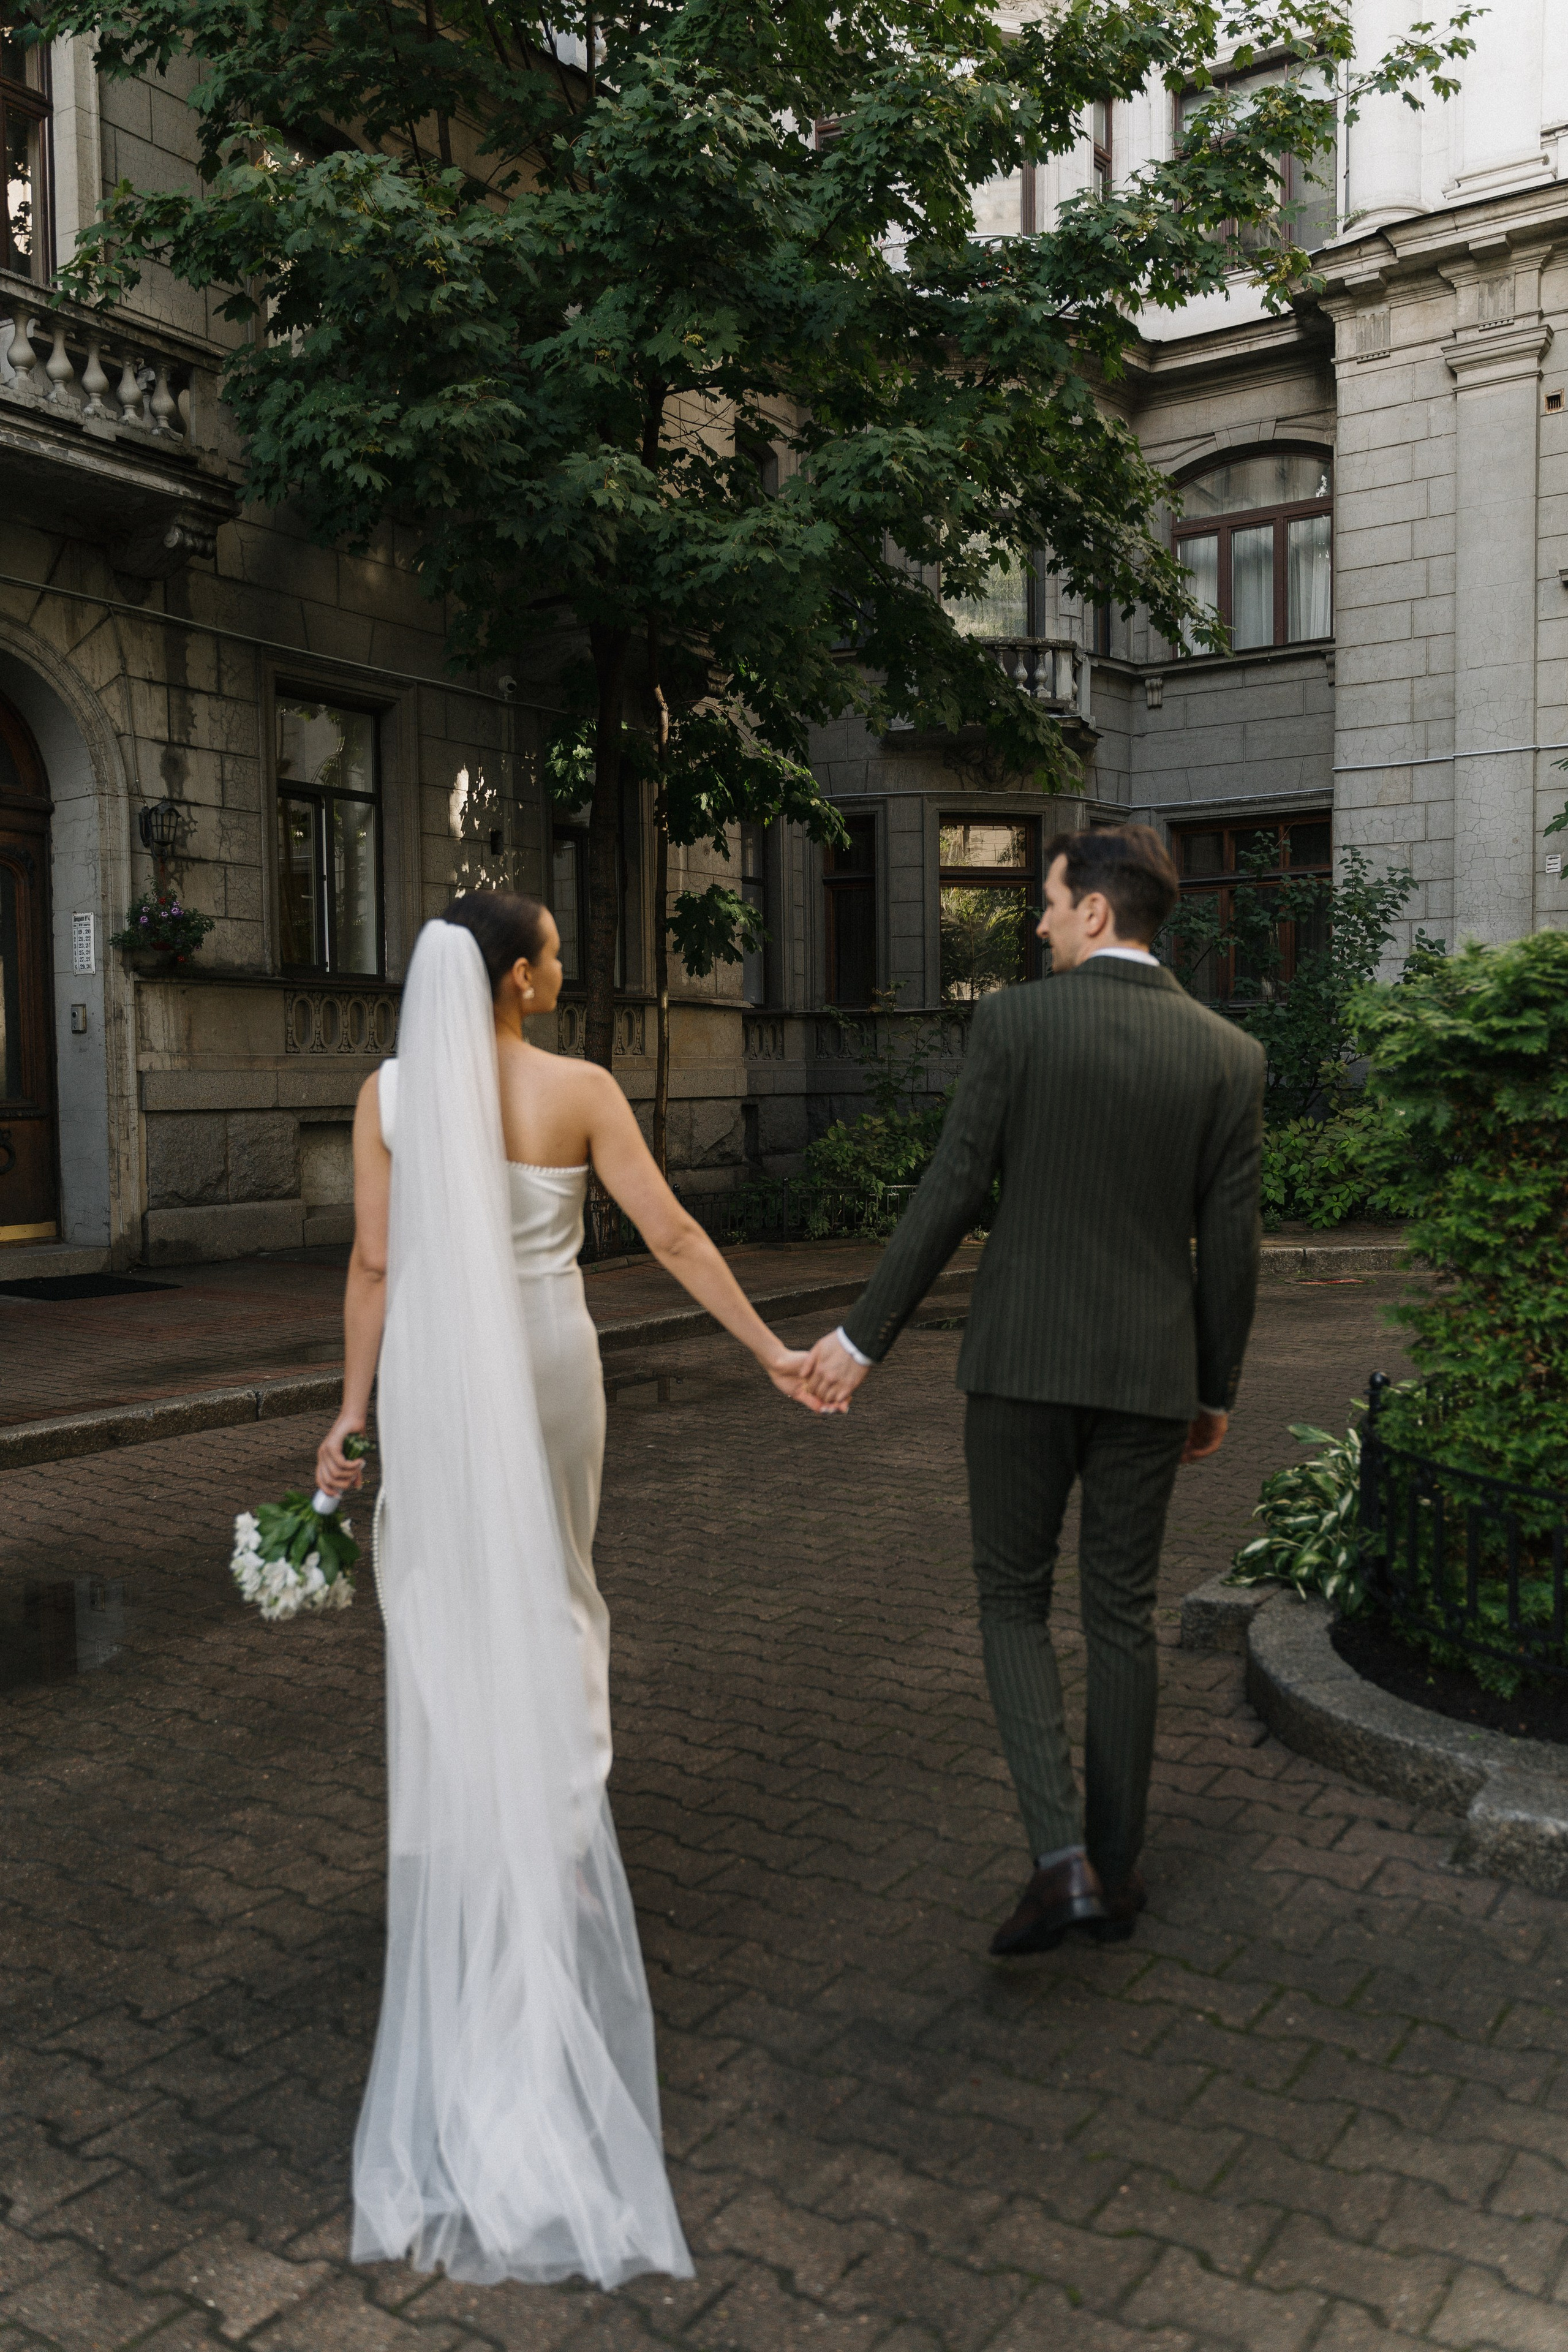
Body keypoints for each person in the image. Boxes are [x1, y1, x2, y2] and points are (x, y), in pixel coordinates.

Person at [314, 891, 823, 2290]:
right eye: (553, 949)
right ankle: (553, 1825)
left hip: (426, 1366)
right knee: (558, 1589)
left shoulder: (388, 1094)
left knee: (448, 1601)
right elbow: (669, 1237)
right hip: (542, 1359)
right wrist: (770, 1350)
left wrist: (352, 1414)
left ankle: (473, 1826)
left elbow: (370, 1259)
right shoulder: (578, 1087)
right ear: (521, 980)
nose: (560, 965)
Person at [801, 824, 1265, 1956]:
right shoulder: (1229, 1057)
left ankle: (1060, 1862)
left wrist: (863, 1341)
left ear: (1097, 912)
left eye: (1051, 906)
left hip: (1018, 1368)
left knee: (1011, 1602)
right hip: (1152, 1378)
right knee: (1122, 1617)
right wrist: (1214, 1391)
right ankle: (1116, 1868)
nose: (1041, 924)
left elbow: (954, 1187)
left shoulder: (1014, 1024)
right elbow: (1233, 1246)